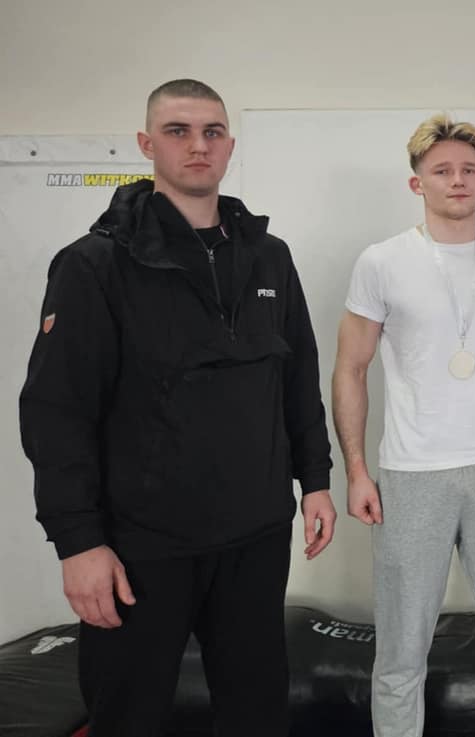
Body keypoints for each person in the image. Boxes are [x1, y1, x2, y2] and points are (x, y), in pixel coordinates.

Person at [19, 79, 336, 737]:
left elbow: (297, 375)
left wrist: (315, 480)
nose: (198, 146)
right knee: (127, 718)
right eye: (178, 131)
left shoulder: (268, 257)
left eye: (212, 132)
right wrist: (78, 543)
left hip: (255, 536)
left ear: (229, 147)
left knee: (257, 715)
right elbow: (57, 411)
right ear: (146, 144)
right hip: (141, 545)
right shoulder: (94, 264)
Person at [332, 113, 475, 737]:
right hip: (413, 474)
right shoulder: (381, 263)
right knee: (401, 648)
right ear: (418, 184)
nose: (457, 180)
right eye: (442, 171)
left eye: (469, 170)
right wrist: (356, 470)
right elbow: (350, 369)